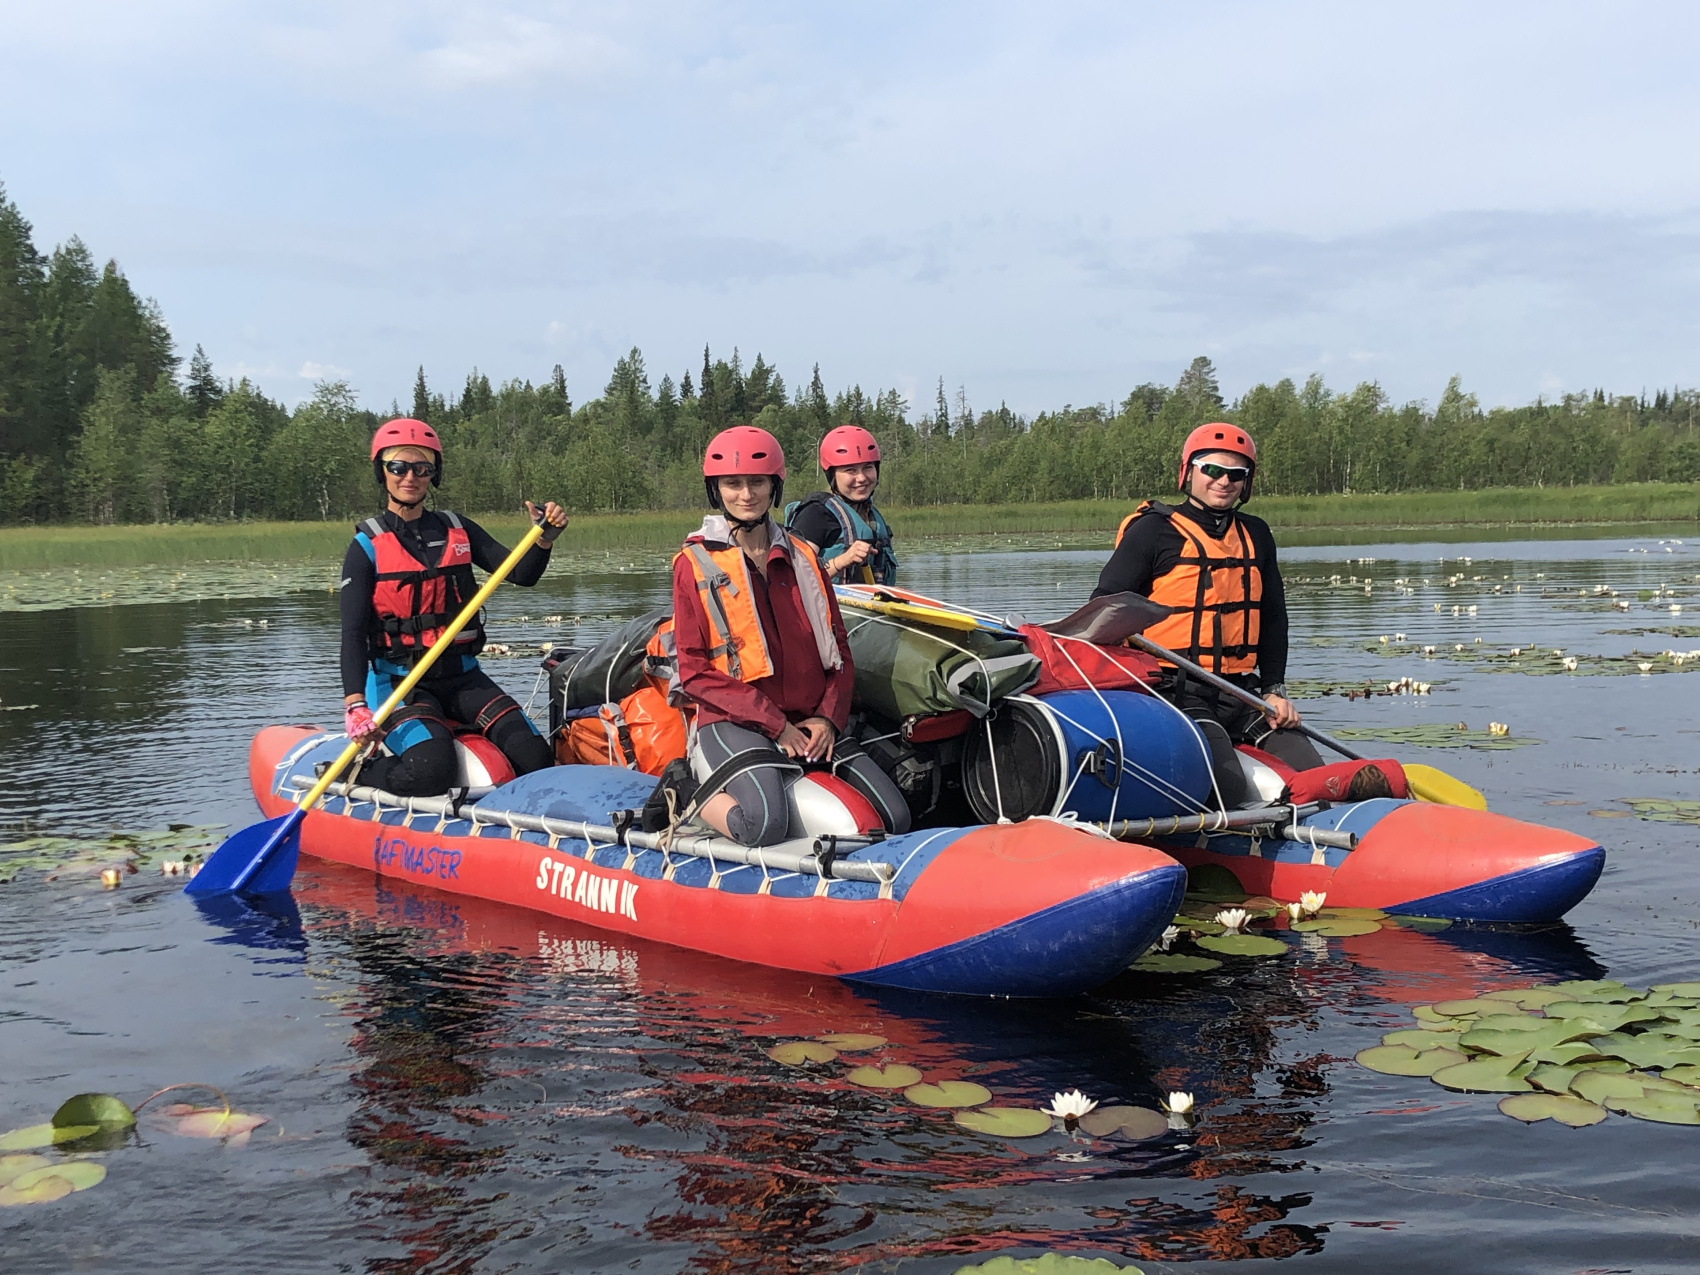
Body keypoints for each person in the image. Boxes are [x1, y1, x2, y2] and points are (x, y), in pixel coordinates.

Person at [671, 425, 911, 846]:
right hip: (736, 722)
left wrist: (828, 719)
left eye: (757, 482)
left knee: (894, 818)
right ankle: (689, 795)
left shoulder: (804, 557)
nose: (746, 495)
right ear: (716, 490)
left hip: (809, 720)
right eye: (732, 484)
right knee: (763, 825)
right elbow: (693, 673)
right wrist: (776, 726)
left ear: (774, 487)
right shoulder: (693, 564)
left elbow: (839, 653)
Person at [1092, 422, 1340, 807]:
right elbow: (1103, 611)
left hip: (1242, 692)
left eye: (1236, 474)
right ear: (1189, 472)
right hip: (1174, 691)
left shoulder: (1257, 534)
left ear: (1247, 482)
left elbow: (1274, 618)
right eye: (1212, 470)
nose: (1223, 481)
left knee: (1316, 777)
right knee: (1228, 789)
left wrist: (1275, 690)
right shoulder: (1153, 532)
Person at [339, 417, 569, 796]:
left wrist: (544, 539)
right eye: (398, 467)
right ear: (383, 472)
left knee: (536, 759)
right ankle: (356, 772)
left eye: (421, 468)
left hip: (462, 676)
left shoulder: (457, 528)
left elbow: (522, 574)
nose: (409, 477)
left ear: (434, 474)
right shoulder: (366, 546)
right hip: (398, 682)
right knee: (432, 771)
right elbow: (352, 633)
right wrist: (355, 705)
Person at [784, 425, 898, 585]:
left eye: (868, 468)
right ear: (832, 475)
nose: (862, 478)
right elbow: (794, 579)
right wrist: (843, 560)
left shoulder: (871, 515)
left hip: (872, 605)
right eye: (851, 470)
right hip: (829, 608)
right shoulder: (815, 513)